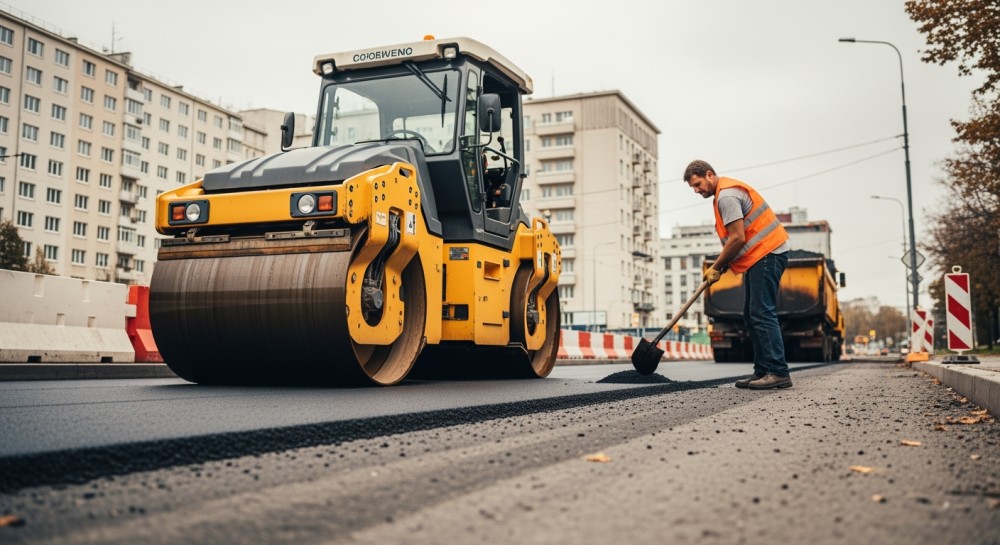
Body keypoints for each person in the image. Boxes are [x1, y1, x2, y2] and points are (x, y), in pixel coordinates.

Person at [683, 160, 792, 389]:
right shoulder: (723, 195)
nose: (696, 190)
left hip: (767, 253)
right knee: (751, 315)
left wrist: (716, 266)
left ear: (709, 175)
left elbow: (737, 238)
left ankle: (778, 372)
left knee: (762, 312)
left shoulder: (726, 197)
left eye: (698, 184)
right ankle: (762, 371)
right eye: (692, 187)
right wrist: (720, 267)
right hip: (760, 256)